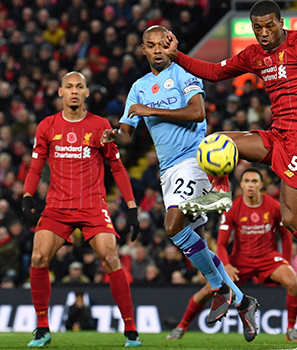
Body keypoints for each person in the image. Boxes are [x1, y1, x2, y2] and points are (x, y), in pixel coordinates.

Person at [159, 0, 297, 319]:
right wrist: (176, 57)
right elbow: (214, 72)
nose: (264, 33)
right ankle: (222, 190)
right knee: (216, 141)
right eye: (258, 28)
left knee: (291, 219)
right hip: (278, 133)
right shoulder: (255, 54)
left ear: (281, 23)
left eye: (269, 26)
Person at [100, 25, 259, 342]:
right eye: (150, 45)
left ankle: (218, 286)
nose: (157, 50)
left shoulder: (184, 73)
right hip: (167, 170)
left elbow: (198, 112)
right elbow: (127, 135)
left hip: (195, 158)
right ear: (143, 50)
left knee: (173, 224)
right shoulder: (139, 87)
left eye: (162, 44)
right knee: (194, 242)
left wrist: (152, 110)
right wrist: (112, 136)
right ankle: (242, 302)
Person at [21, 71, 141, 347]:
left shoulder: (100, 125)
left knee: (111, 257)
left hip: (92, 207)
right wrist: (28, 194)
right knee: (38, 256)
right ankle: (42, 328)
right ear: (60, 92)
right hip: (57, 207)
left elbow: (118, 167)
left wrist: (131, 206)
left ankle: (131, 330)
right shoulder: (47, 126)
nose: (74, 91)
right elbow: (35, 166)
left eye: (79, 87)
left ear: (87, 93)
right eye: (69, 87)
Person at [167, 168, 297, 344]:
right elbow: (222, 244)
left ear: (261, 184)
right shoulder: (233, 208)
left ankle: (291, 330)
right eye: (247, 181)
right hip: (240, 261)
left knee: (293, 283)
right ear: (241, 184)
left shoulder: (274, 207)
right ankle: (181, 327)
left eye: (254, 181)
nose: (250, 185)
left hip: (268, 259)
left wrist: (285, 259)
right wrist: (227, 265)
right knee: (208, 291)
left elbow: (285, 236)